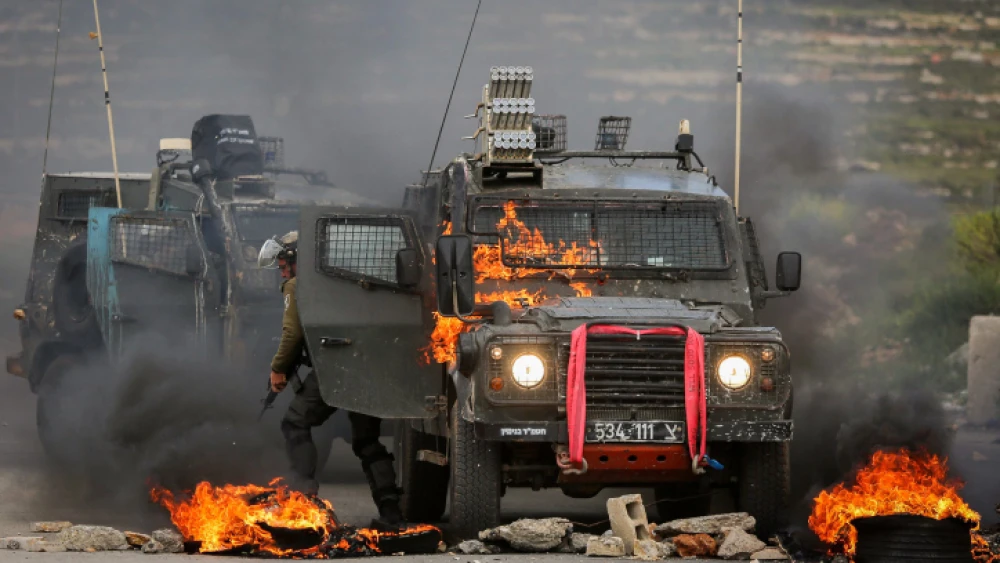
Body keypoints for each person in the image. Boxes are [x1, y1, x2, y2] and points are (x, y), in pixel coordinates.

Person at [259, 231, 405, 530]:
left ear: (300, 260)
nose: (282, 270)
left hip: (335, 367)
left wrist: (278, 369)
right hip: (370, 367)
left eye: (285, 263)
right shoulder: (351, 279)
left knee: (295, 423)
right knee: (367, 441)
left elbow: (292, 334)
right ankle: (391, 514)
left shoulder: (297, 285)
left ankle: (305, 500)